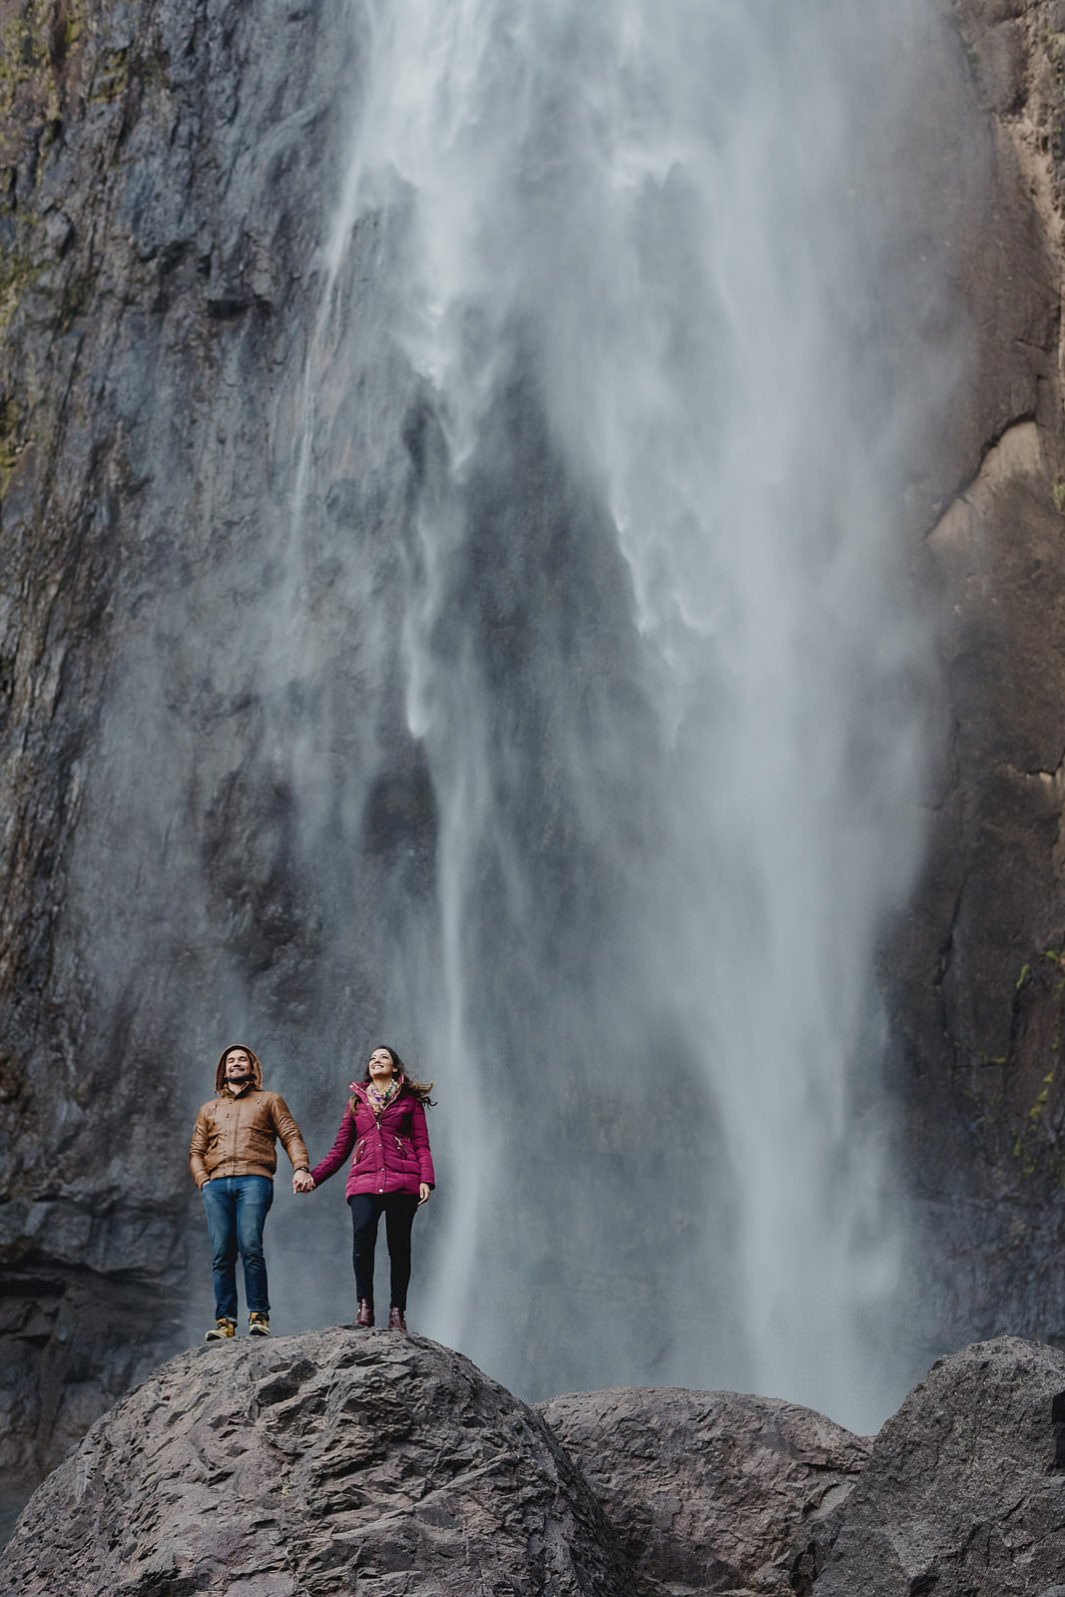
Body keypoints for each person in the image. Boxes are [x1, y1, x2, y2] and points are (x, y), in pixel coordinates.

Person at [295, 1045, 435, 1331]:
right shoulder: (355, 1104)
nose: (376, 1061)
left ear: (396, 1068)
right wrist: (313, 1177)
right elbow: (340, 1150)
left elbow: (421, 1143)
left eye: (383, 1057)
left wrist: (426, 1179)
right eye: (372, 1058)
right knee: (363, 1240)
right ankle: (364, 1307)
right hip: (363, 1182)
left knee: (399, 1247)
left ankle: (397, 1312)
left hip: (403, 1182)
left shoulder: (409, 1102)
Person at [189, 1043, 311, 1341]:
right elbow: (195, 1151)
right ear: (223, 1069)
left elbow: (290, 1135)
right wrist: (204, 1181)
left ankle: (259, 1315)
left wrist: (301, 1167)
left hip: (254, 1181)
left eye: (242, 1059)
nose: (236, 1063)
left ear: (252, 1067)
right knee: (221, 1253)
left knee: (250, 1244)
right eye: (231, 1060)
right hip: (216, 1185)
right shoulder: (209, 1109)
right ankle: (225, 1321)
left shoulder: (270, 1101)